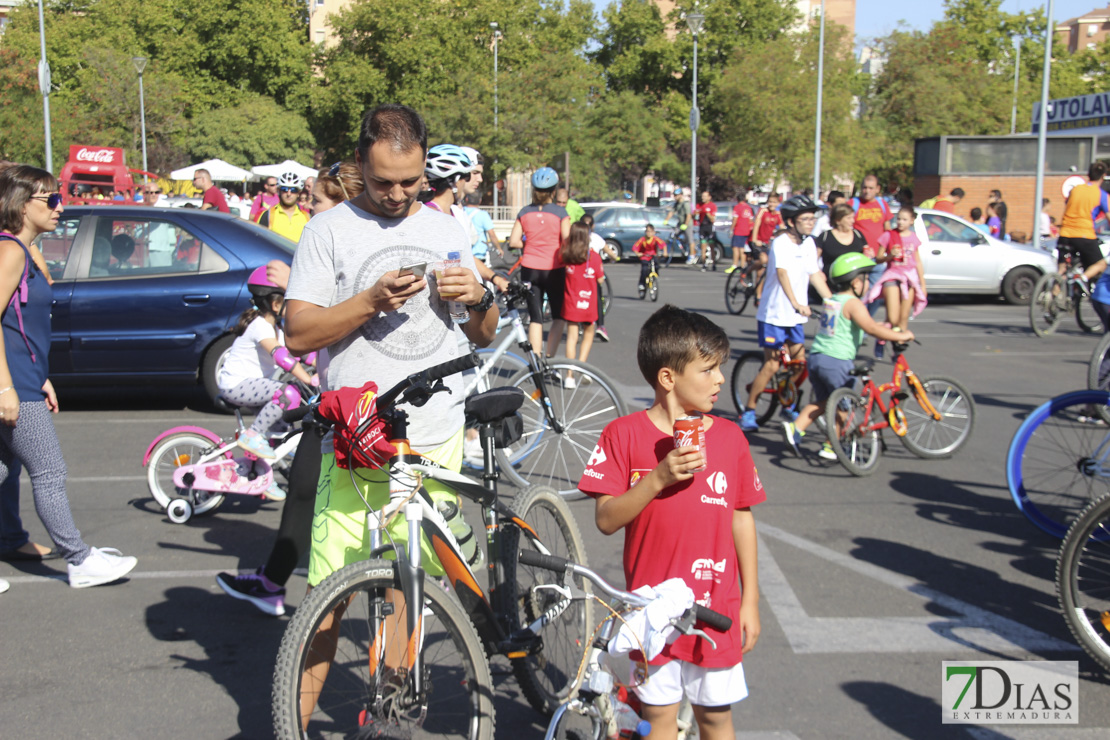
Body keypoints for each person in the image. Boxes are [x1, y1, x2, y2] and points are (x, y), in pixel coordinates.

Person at [282, 105, 498, 722]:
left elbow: (483, 334)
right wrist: (369, 301)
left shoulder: (449, 227)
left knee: (412, 588)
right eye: (383, 183)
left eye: (412, 180)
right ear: (359, 166)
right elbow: (298, 333)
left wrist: (480, 297)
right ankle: (290, 723)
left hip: (434, 435)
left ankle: (390, 720)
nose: (399, 194)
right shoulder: (328, 231)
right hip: (355, 441)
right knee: (327, 602)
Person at [578, 304, 763, 740]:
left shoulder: (730, 437)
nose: (720, 379)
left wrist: (750, 600)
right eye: (709, 369)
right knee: (658, 719)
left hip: (715, 609)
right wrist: (658, 478)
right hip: (649, 611)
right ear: (668, 378)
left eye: (721, 368)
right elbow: (606, 519)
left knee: (715, 717)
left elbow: (741, 517)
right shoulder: (623, 434)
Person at [216, 163, 366, 617]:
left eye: (315, 201)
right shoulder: (332, 247)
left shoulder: (348, 253)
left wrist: (296, 285)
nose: (307, 208)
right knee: (305, 490)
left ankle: (475, 616)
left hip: (350, 395)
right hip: (335, 393)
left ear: (339, 204)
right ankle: (274, 582)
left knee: (326, 496)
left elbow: (305, 335)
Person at [0, 164, 138, 589]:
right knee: (49, 472)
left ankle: (11, 539)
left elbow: (18, 325)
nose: (60, 206)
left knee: (5, 471)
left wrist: (40, 376)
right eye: (50, 199)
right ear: (22, 205)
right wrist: (7, 386)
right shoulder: (10, 252)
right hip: (12, 386)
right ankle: (79, 559)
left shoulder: (20, 250)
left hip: (24, 379)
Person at [781, 253, 914, 459]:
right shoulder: (853, 303)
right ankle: (831, 446)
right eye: (866, 279)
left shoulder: (833, 300)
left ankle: (796, 429)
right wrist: (901, 334)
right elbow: (870, 328)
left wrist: (884, 327)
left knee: (825, 402)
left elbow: (856, 325)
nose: (868, 283)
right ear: (856, 282)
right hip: (837, 360)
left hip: (817, 357)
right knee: (844, 405)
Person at [739, 195, 831, 432]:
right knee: (771, 365)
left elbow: (815, 274)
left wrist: (832, 302)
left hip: (794, 318)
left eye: (812, 218)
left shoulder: (809, 243)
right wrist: (795, 302)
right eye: (806, 219)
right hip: (774, 315)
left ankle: (786, 400)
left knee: (799, 365)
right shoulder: (781, 243)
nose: (811, 223)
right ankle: (749, 411)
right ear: (791, 221)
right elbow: (782, 274)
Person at [219, 267, 314, 480]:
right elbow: (281, 356)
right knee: (287, 394)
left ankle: (262, 473)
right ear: (276, 304)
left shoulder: (277, 329)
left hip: (251, 385)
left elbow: (302, 355)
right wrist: (307, 377)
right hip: (236, 384)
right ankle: (253, 435)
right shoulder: (260, 326)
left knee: (282, 429)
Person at [423, 145, 509, 293]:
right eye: (467, 176)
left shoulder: (452, 212)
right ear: (456, 181)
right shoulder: (431, 216)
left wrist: (495, 278)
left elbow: (465, 256)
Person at [508, 167, 571, 355]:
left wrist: (530, 244)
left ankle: (536, 361)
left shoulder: (524, 212)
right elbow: (567, 242)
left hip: (530, 267)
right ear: (553, 191)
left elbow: (513, 241)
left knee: (535, 317)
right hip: (554, 268)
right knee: (559, 316)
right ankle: (550, 355)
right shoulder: (561, 213)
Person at [867, 205, 927, 336]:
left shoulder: (913, 237)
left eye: (904, 219)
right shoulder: (888, 235)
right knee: (893, 319)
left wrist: (922, 284)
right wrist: (890, 256)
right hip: (892, 276)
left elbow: (917, 261)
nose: (900, 222)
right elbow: (878, 259)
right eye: (899, 219)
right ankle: (879, 335)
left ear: (911, 221)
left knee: (903, 318)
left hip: (909, 278)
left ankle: (898, 350)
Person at [559, 220, 604, 386]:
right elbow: (600, 280)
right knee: (588, 333)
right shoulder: (594, 257)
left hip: (571, 301)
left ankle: (569, 376)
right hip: (588, 302)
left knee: (571, 337)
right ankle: (581, 368)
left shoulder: (566, 255)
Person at [1059, 162, 1109, 278]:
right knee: (1101, 264)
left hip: (1065, 233)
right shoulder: (1102, 195)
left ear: (1088, 174)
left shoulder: (1075, 190)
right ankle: (1082, 279)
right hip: (1083, 235)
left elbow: (1067, 204)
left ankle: (1054, 292)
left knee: (1062, 270)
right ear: (1103, 176)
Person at [581, 214, 618, 343]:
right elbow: (608, 251)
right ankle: (601, 326)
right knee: (597, 298)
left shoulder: (576, 237)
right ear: (593, 226)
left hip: (578, 273)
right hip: (594, 272)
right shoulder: (596, 238)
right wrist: (615, 258)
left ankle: (578, 322)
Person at [814, 202, 866, 281]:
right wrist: (818, 273)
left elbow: (866, 253)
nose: (852, 221)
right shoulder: (825, 237)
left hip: (855, 282)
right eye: (848, 218)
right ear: (838, 220)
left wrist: (869, 254)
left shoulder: (858, 234)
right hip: (831, 282)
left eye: (853, 217)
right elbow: (813, 259)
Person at [257, 172, 311, 243]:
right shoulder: (267, 215)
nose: (289, 194)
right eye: (284, 189)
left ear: (299, 193)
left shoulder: (307, 217)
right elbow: (258, 243)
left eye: (293, 190)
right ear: (279, 191)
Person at [727, 187, 756, 274]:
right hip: (746, 231)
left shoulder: (737, 207)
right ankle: (743, 266)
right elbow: (751, 220)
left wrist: (731, 229)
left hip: (738, 230)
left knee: (736, 248)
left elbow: (735, 219)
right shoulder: (749, 208)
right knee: (743, 249)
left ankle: (734, 265)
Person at [632, 224, 664, 298]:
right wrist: (638, 253)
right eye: (647, 231)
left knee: (657, 265)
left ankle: (654, 277)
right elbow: (635, 247)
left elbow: (663, 244)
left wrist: (664, 252)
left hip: (653, 256)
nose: (649, 233)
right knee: (644, 269)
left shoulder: (655, 239)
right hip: (645, 257)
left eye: (650, 231)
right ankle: (642, 284)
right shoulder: (643, 239)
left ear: (653, 232)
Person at [691, 190, 717, 270]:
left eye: (705, 196)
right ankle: (704, 264)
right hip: (702, 227)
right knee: (703, 246)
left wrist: (707, 212)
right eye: (702, 196)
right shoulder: (699, 205)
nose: (703, 198)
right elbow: (694, 215)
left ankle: (713, 263)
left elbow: (713, 219)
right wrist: (696, 213)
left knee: (712, 246)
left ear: (709, 197)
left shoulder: (712, 206)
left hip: (710, 227)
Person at [665, 188, 692, 257]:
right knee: (674, 235)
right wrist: (666, 220)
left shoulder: (685, 204)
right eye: (674, 195)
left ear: (681, 195)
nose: (675, 197)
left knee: (690, 240)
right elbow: (671, 212)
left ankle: (692, 255)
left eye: (676, 195)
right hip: (680, 224)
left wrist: (685, 225)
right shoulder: (676, 204)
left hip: (687, 224)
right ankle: (683, 248)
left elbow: (688, 215)